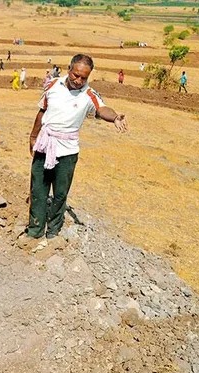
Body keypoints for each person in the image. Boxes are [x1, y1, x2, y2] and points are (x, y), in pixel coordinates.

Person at [23, 54, 128, 243]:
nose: (78, 80)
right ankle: (35, 230)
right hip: (44, 144)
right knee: (38, 190)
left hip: (67, 152)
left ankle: (53, 232)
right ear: (69, 69)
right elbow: (42, 111)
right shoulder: (53, 85)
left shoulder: (89, 95)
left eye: (84, 78)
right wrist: (32, 136)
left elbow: (102, 109)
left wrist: (114, 117)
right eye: (76, 75)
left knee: (60, 193)